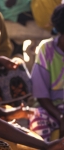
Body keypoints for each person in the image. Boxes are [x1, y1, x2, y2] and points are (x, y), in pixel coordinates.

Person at [30, 4, 64, 141]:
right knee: (39, 122)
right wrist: (61, 117)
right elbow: (41, 96)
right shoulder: (46, 50)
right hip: (50, 108)